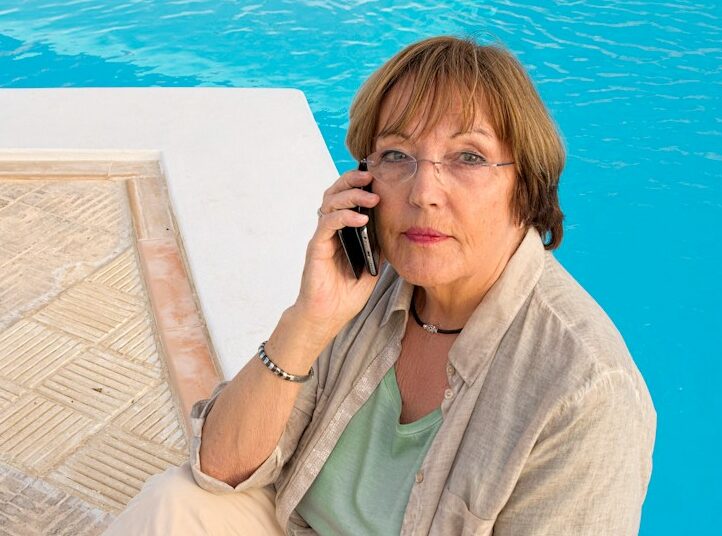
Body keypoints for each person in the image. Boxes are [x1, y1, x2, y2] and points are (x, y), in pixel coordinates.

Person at [106, 35, 656, 535]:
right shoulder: (368, 291)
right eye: (397, 155)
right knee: (176, 502)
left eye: (468, 157)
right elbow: (219, 468)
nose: (424, 192)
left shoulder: (586, 389)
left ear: (528, 185)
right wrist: (309, 320)